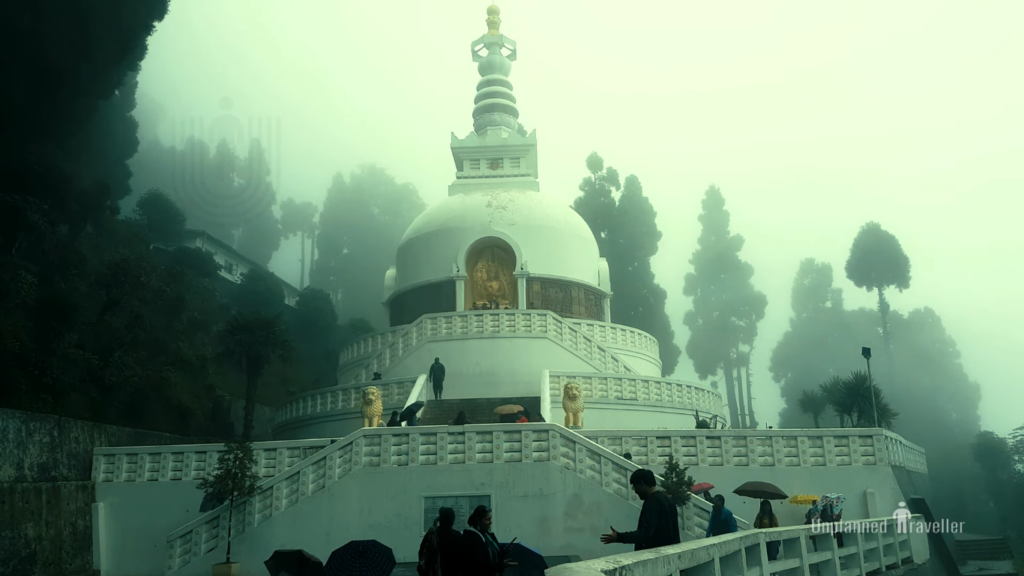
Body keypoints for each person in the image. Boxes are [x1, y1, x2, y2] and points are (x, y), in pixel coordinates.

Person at [600, 469, 680, 551]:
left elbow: (645, 533)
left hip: (655, 554)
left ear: (641, 483)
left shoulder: (652, 502)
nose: (635, 491)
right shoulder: (667, 499)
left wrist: (619, 537)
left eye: (635, 487)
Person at [463, 505, 516, 576]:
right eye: (487, 519)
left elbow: (492, 555)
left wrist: (504, 551)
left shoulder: (488, 534)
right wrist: (501, 565)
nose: (491, 522)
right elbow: (480, 567)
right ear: (478, 521)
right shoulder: (471, 538)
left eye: (490, 519)